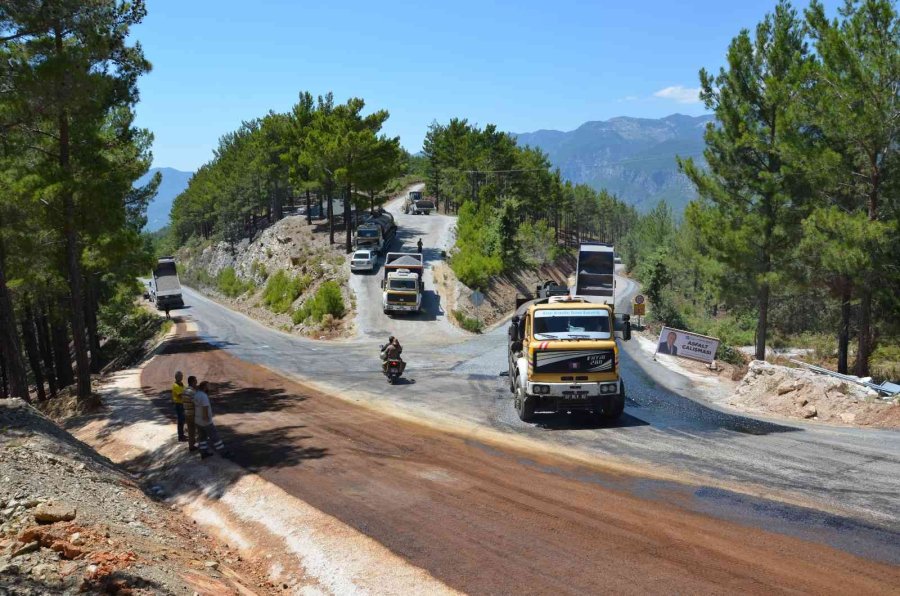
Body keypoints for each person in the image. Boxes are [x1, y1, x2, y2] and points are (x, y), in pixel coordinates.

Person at [193, 381, 231, 459]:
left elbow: (195, 406)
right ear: (205, 387)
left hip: (197, 420)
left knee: (202, 437)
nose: (209, 388)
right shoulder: (203, 396)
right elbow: (205, 408)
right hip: (205, 421)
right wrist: (206, 419)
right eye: (208, 386)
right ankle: (223, 452)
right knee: (215, 437)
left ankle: (203, 453)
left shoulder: (196, 394)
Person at [184, 376, 199, 452]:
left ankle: (191, 446)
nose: (196, 382)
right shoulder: (192, 392)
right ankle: (202, 446)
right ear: (192, 382)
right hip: (193, 413)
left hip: (187, 413)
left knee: (190, 431)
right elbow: (196, 403)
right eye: (195, 381)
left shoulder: (185, 390)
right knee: (199, 430)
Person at [172, 371, 186, 442]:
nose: (181, 377)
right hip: (178, 405)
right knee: (180, 421)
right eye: (180, 376)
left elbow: (185, 391)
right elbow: (180, 395)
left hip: (182, 404)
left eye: (182, 376)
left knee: (182, 420)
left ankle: (182, 434)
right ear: (176, 377)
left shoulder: (181, 384)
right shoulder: (175, 385)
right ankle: (180, 437)